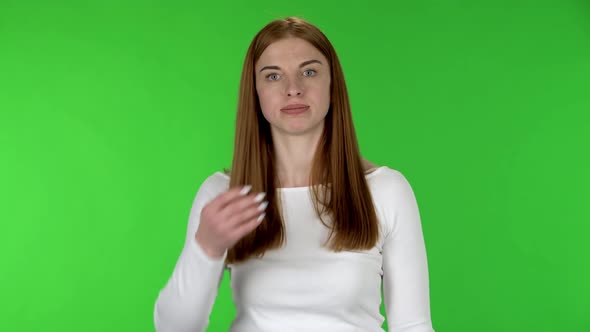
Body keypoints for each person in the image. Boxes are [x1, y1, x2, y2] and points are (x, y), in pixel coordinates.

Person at [154, 16, 435, 332]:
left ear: (333, 85)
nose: (293, 89)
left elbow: (413, 325)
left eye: (309, 72)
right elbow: (174, 327)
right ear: (255, 91)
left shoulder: (386, 190)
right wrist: (206, 247)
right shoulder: (223, 194)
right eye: (273, 76)